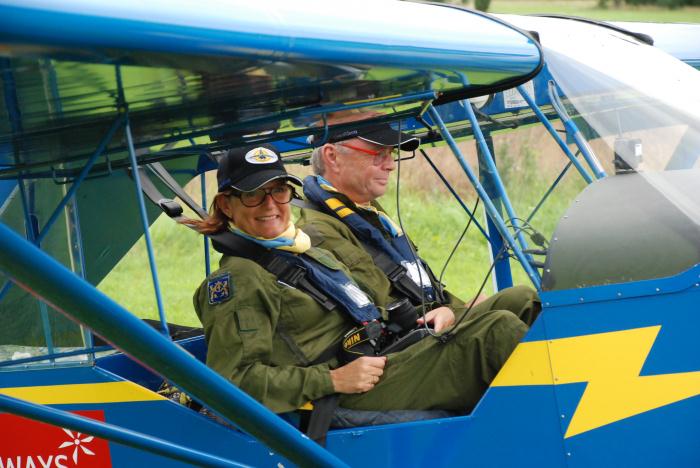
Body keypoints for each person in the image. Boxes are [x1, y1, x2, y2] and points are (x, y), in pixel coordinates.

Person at [188, 144, 530, 432]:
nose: (270, 205)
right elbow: (234, 382)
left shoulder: (301, 249)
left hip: (386, 352)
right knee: (496, 332)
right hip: (344, 390)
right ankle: (557, 435)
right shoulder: (240, 279)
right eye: (252, 195)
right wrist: (332, 380)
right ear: (226, 205)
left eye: (278, 190)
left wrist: (440, 312)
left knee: (521, 301)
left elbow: (371, 306)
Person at [299, 117, 540, 334]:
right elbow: (386, 307)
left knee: (523, 299)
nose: (390, 164)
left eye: (391, 153)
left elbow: (414, 284)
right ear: (332, 156)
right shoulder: (320, 229)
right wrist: (455, 314)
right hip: (406, 341)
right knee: (506, 325)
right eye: (378, 153)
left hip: (430, 322)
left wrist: (457, 307)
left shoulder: (366, 211)